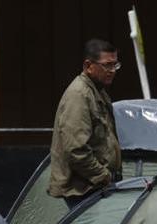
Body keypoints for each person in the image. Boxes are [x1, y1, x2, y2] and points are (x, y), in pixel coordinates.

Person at [47, 39, 123, 209]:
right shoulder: (79, 95)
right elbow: (75, 149)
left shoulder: (96, 91)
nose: (112, 71)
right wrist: (103, 176)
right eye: (107, 65)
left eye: (115, 65)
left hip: (92, 186)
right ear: (89, 65)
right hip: (84, 189)